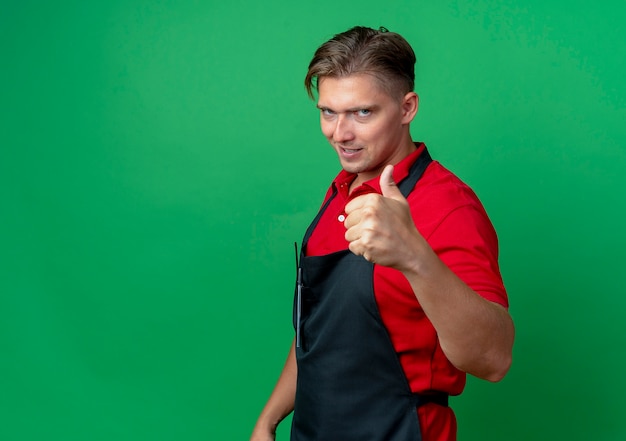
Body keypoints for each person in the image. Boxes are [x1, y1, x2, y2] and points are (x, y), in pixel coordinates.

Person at [250, 26, 514, 441]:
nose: (340, 133)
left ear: (407, 108)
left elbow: (493, 358)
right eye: (328, 112)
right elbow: (318, 330)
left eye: (362, 112)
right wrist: (268, 420)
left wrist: (414, 257)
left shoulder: (449, 206)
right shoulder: (340, 190)